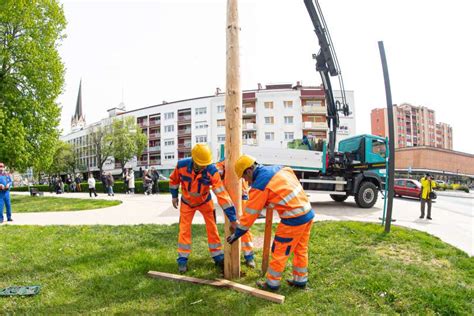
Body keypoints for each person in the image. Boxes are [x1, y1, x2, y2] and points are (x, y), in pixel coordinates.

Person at [227, 155, 315, 291]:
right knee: (300, 249)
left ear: (249, 171)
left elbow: (250, 214)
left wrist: (237, 233)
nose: (247, 182)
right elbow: (284, 186)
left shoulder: (260, 185)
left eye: (245, 178)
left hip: (293, 220)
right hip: (307, 213)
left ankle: (272, 284)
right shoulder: (280, 168)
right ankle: (300, 281)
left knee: (280, 250)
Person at [169, 144, 238, 273]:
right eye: (201, 164)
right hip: (187, 202)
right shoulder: (181, 165)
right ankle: (182, 260)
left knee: (212, 227)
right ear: (194, 160)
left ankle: (217, 256)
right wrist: (174, 196)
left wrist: (233, 218)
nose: (203, 167)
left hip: (205, 202)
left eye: (205, 164)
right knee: (184, 229)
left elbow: (222, 194)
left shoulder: (211, 171)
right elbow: (173, 180)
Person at [215, 159, 256, 268]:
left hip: (243, 198)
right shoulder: (222, 164)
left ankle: (249, 256)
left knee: (244, 226)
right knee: (230, 226)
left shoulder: (242, 161)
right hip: (228, 201)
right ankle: (229, 255)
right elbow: (216, 174)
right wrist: (221, 172)